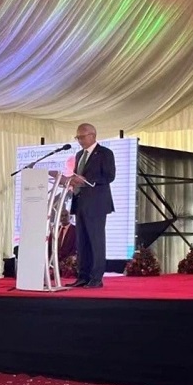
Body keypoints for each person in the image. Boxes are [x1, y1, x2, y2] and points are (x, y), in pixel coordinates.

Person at [65, 123, 115, 288]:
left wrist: (88, 180)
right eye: (77, 137)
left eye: (82, 137)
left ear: (92, 135)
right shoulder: (79, 154)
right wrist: (72, 181)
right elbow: (78, 176)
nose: (79, 140)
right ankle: (83, 276)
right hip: (80, 202)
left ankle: (96, 278)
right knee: (82, 242)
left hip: (96, 204)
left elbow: (109, 176)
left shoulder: (105, 153)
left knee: (96, 241)